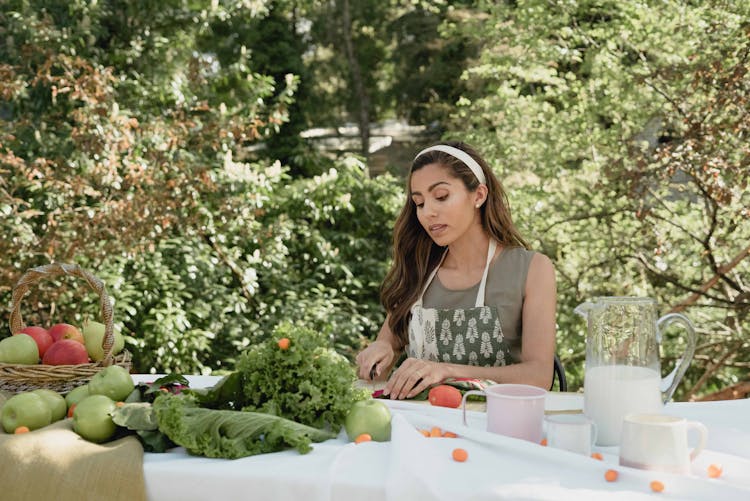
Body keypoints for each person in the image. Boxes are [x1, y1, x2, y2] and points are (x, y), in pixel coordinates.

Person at [356, 141, 557, 400]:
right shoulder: (419, 269)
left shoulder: (532, 269)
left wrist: (446, 371)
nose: (428, 212)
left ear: (479, 195)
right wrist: (379, 351)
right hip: (422, 427)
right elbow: (388, 347)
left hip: (498, 426)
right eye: (419, 203)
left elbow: (539, 376)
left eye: (441, 197)